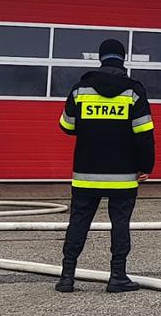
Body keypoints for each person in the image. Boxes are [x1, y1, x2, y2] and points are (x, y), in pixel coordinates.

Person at [56, 38, 155, 293]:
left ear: (100, 58)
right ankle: (118, 276)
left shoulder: (80, 90)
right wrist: (146, 165)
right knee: (120, 224)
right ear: (123, 59)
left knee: (78, 223)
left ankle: (67, 277)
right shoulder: (134, 91)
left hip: (85, 173)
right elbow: (144, 133)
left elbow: (67, 126)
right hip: (123, 174)